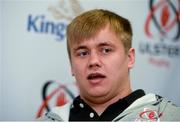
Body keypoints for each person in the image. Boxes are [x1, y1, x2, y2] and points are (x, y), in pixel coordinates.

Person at [38, 9, 180, 121]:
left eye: (106, 50)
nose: (93, 61)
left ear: (130, 58)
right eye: (82, 53)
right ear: (71, 66)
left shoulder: (170, 117)